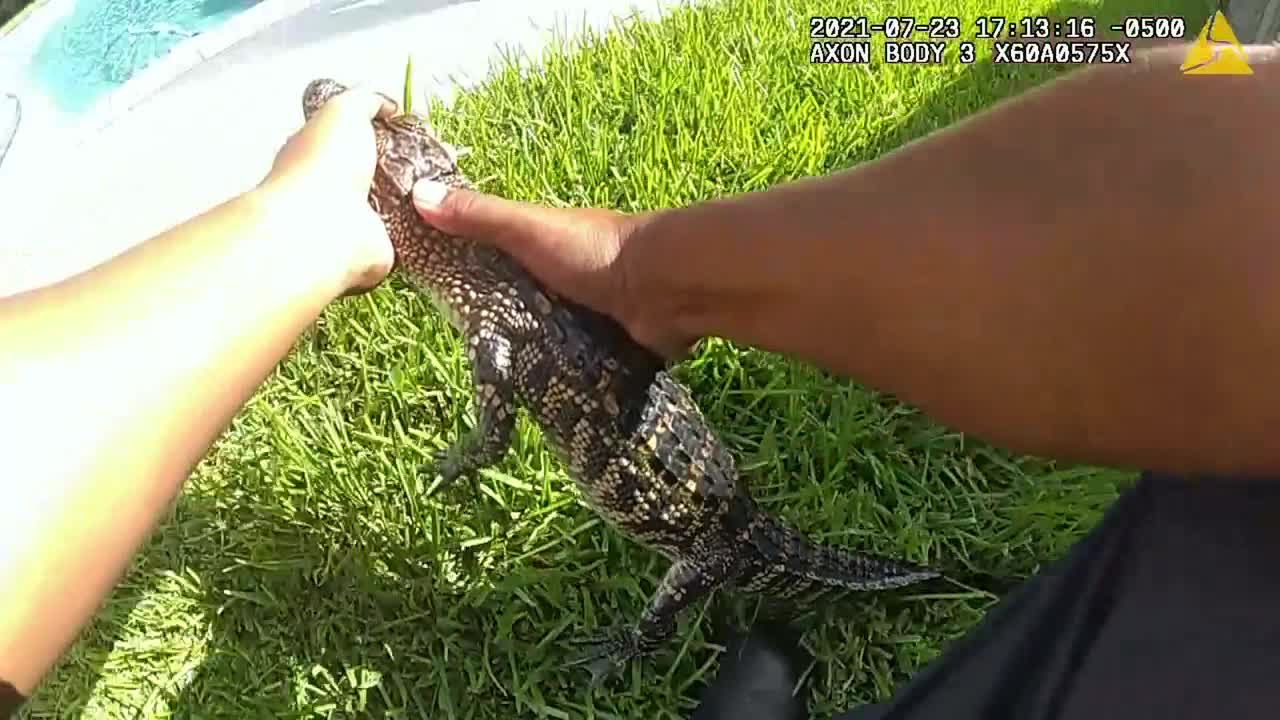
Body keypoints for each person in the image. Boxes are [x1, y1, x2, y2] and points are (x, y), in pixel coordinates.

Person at [2, 40, 1278, 719]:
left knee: (688, 579)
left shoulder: (501, 325)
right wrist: (638, 271)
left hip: (702, 520)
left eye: (393, 161)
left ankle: (690, 642)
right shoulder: (498, 312)